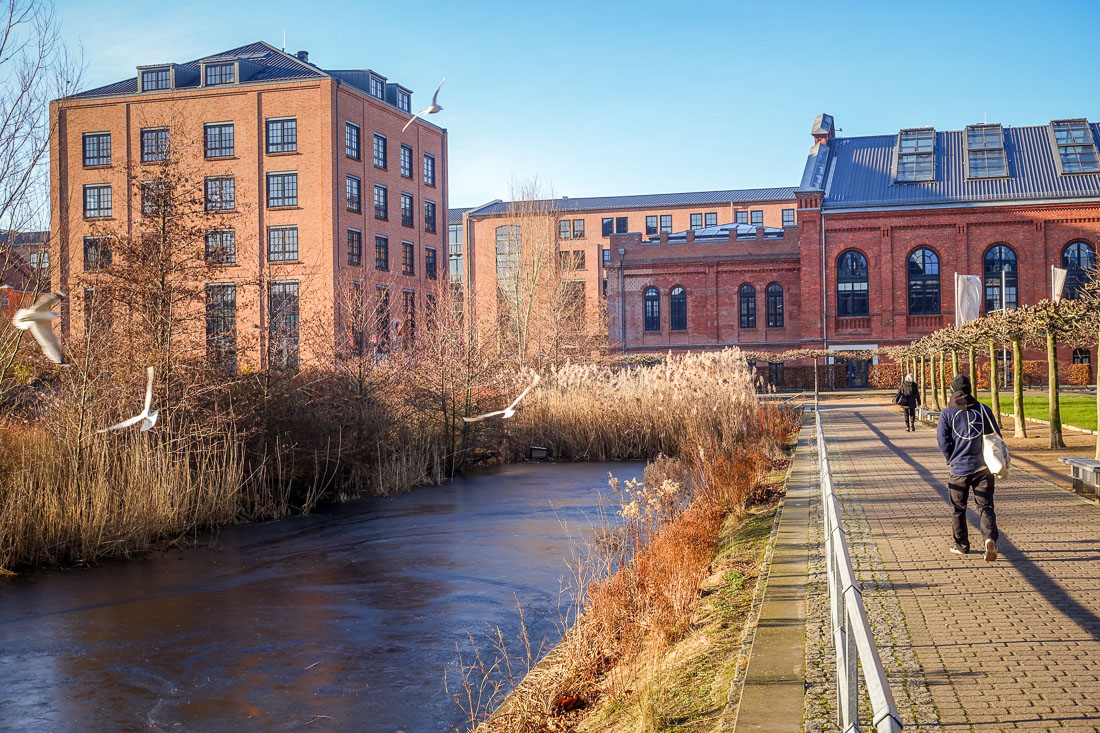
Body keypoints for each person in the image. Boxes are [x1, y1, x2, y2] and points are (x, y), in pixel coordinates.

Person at [936, 374, 1001, 562]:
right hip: (983, 468)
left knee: (958, 509)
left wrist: (951, 458)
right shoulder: (984, 410)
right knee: (986, 506)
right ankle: (989, 538)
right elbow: (996, 436)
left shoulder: (947, 413)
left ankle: (961, 545)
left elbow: (943, 440)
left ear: (952, 391)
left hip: (959, 470)